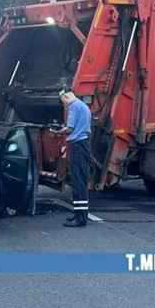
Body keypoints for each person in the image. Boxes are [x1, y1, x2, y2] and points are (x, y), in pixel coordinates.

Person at [55, 91, 91, 228]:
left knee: (78, 181)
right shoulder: (83, 106)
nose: (63, 105)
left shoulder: (74, 107)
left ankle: (80, 219)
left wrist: (58, 131)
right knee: (80, 179)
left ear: (65, 97)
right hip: (84, 144)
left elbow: (70, 129)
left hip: (78, 145)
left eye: (62, 101)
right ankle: (79, 214)